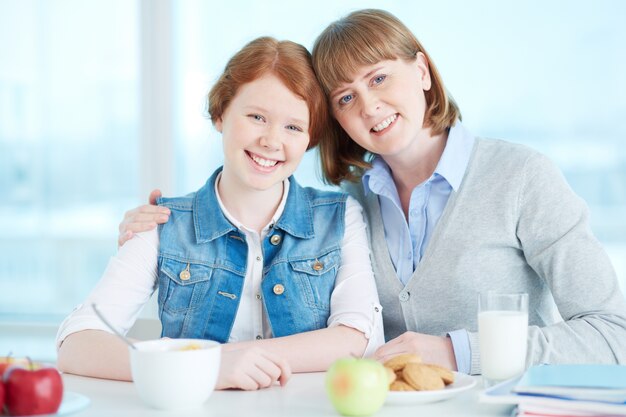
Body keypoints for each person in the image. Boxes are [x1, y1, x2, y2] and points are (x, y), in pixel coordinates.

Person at [118, 10, 626, 376]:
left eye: (380, 77)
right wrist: (162, 229)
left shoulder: (522, 178)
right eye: (345, 96)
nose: (369, 105)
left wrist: (456, 352)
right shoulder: (349, 208)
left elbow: (613, 336)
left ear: (423, 72)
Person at [56, 36, 384, 391]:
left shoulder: (339, 216)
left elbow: (358, 339)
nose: (272, 141)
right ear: (220, 114)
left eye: (293, 127)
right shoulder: (162, 223)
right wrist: (208, 367)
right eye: (257, 117)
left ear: (310, 138)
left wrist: (228, 358)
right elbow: (76, 344)